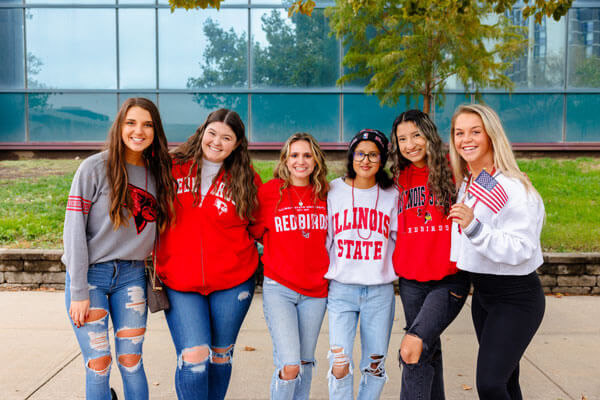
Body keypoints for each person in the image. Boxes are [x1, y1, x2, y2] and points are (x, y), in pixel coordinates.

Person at [63, 97, 176, 400]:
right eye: (131, 123)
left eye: (147, 124)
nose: (139, 131)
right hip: (91, 277)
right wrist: (78, 292)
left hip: (132, 276)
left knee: (131, 361)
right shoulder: (94, 168)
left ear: (156, 130)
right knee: (99, 363)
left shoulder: (160, 173)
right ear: (120, 126)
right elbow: (73, 231)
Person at [155, 108, 261, 400]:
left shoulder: (245, 178)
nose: (217, 142)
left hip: (233, 282)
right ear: (202, 132)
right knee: (194, 357)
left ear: (237, 144)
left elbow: (261, 225)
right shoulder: (172, 167)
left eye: (227, 137)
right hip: (179, 282)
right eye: (212, 133)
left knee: (219, 356)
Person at [448, 104, 546, 400]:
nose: (466, 139)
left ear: (491, 135)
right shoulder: (475, 181)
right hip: (485, 296)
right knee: (506, 382)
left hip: (516, 298)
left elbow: (523, 248)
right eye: (459, 132)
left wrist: (474, 227)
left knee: (490, 384)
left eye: (475, 131)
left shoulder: (514, 187)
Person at [390, 110, 470, 400]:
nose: (410, 144)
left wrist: (513, 177)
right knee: (427, 350)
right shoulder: (398, 178)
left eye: (416, 135)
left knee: (412, 348)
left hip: (448, 279)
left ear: (429, 135)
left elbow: (489, 180)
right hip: (411, 280)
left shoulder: (455, 168)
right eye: (402, 139)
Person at [251, 132, 330, 400]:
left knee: (305, 364)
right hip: (280, 288)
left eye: (307, 155)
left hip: (316, 292)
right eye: (294, 155)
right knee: (290, 364)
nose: (301, 161)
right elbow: (256, 231)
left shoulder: (327, 193)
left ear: (316, 160)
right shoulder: (270, 192)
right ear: (285, 159)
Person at [325, 129, 398, 400]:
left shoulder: (392, 194)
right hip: (341, 290)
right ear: (351, 156)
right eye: (360, 153)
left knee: (375, 364)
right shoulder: (333, 190)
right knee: (339, 361)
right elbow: (325, 239)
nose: (365, 160)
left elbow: (401, 239)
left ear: (382, 159)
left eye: (373, 154)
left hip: (379, 293)